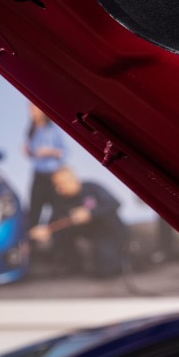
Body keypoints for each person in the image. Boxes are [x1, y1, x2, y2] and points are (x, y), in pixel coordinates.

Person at [30, 167, 131, 279]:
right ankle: (71, 265)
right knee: (61, 234)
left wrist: (91, 213)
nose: (58, 189)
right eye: (56, 186)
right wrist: (47, 229)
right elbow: (56, 219)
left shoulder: (92, 187)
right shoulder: (61, 199)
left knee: (106, 271)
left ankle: (117, 260)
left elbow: (115, 204)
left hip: (106, 230)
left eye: (61, 185)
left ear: (71, 180)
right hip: (85, 232)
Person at [23, 102, 69, 238]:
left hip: (54, 176)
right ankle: (33, 244)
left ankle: (58, 243)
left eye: (33, 108)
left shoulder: (54, 129)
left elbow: (65, 152)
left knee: (57, 210)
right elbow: (34, 154)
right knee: (34, 210)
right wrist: (29, 152)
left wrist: (49, 152)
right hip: (38, 175)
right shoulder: (32, 130)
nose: (31, 111)